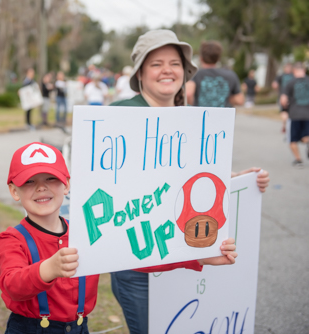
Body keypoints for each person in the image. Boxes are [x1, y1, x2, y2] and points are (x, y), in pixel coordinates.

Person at [110, 29, 270, 334]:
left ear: (185, 73)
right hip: (138, 265)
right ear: (141, 72)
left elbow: (194, 179)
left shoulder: (192, 120)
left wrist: (239, 181)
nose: (167, 70)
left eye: (175, 63)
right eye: (156, 63)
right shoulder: (120, 116)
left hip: (183, 257)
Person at [0, 141, 239, 334]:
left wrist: (199, 258)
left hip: (80, 328)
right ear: (14, 191)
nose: (41, 187)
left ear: (67, 184)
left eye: (51, 179)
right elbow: (12, 286)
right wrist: (49, 268)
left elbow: (139, 257)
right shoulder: (11, 239)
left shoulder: (88, 232)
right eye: (29, 182)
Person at [186, 41, 244, 107]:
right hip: (223, 116)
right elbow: (240, 100)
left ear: (201, 58)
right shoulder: (231, 75)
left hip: (202, 115)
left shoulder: (195, 73)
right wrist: (222, 96)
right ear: (218, 58)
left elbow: (188, 93)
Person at [280, 62, 309, 168]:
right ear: (304, 70)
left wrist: (284, 109)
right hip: (308, 114)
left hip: (295, 114)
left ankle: (298, 160)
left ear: (294, 71)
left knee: (292, 140)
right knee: (306, 136)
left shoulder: (290, 83)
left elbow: (283, 100)